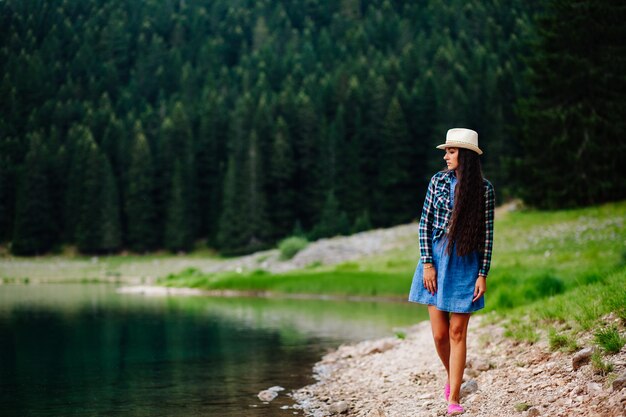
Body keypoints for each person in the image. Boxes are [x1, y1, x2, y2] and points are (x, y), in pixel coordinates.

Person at [407, 128, 495, 415]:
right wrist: (428, 264)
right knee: (440, 335)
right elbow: (424, 224)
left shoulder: (485, 190)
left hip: (466, 263)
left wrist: (483, 273)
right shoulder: (437, 182)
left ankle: (454, 398)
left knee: (458, 331)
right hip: (435, 259)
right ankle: (451, 375)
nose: (445, 156)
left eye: (451, 151)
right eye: (446, 151)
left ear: (465, 156)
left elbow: (487, 236)